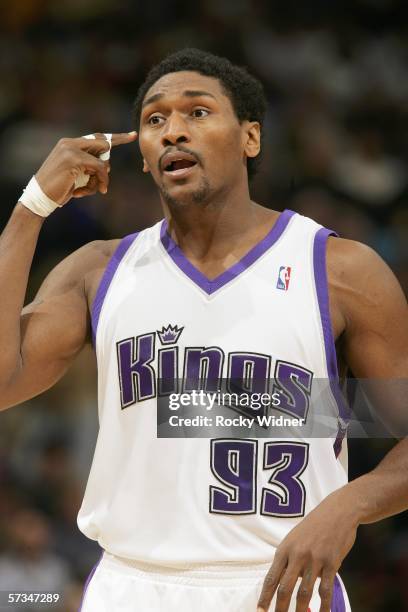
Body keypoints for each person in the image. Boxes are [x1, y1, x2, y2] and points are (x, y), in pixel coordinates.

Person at [0, 48, 407, 612]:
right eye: (154, 119)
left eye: (197, 112)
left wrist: (350, 505)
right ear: (141, 157)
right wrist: (30, 210)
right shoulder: (98, 270)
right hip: (132, 583)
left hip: (278, 584)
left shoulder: (338, 269)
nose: (172, 132)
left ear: (251, 138)